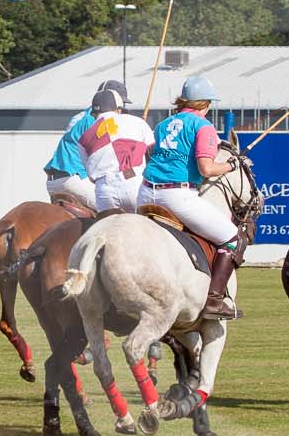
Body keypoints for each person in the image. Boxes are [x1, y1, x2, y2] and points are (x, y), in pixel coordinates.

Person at [137, 75, 244, 320]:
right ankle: (214, 299)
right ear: (205, 103)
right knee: (233, 238)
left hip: (145, 193)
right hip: (177, 195)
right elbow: (207, 169)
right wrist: (229, 165)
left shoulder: (165, 124)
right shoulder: (202, 126)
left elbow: (148, 151)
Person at [43, 79, 127, 208]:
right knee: (114, 210)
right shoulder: (97, 121)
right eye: (121, 106)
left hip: (55, 179)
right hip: (74, 177)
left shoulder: (81, 116)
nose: (121, 111)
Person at [80, 84, 155, 213]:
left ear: (94, 112)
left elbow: (90, 176)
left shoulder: (83, 139)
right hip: (133, 184)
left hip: (104, 190)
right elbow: (153, 153)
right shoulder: (137, 122)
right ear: (118, 109)